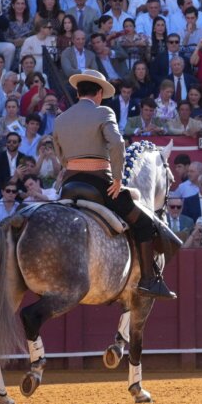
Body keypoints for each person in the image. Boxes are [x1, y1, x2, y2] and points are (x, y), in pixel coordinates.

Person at [52, 68, 174, 299]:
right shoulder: (103, 112)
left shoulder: (61, 119)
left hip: (69, 186)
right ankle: (148, 280)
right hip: (100, 184)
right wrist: (117, 178)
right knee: (144, 222)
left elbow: (60, 153)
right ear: (99, 93)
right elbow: (117, 144)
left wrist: (72, 165)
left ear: (78, 93)